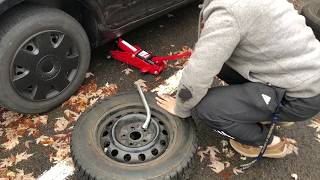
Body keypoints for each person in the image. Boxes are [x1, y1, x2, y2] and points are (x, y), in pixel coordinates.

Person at [156, 0, 320, 158]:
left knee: (206, 109)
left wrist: (180, 108)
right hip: (304, 75)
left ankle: (270, 143)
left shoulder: (229, 12)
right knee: (222, 63)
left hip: (301, 97)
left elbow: (199, 71)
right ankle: (267, 113)